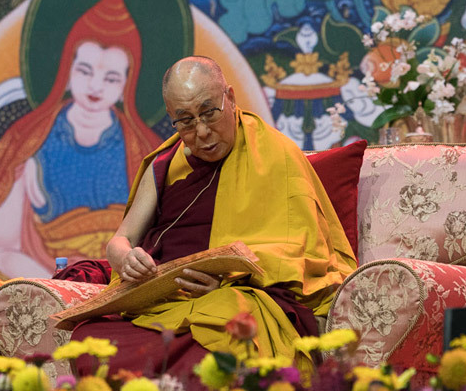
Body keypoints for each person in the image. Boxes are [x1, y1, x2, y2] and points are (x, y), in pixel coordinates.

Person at [70, 56, 358, 386]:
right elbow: (120, 240)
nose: (203, 132)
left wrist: (229, 280)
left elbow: (303, 251)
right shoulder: (164, 164)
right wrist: (126, 259)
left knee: (219, 344)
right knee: (91, 342)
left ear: (231, 98)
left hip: (231, 296)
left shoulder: (275, 152)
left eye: (210, 112)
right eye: (186, 122)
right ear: (172, 120)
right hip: (163, 302)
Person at [0, 0, 161, 278]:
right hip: (50, 284)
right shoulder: (27, 144)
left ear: (126, 88)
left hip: (127, 286)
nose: (95, 86)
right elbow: (7, 247)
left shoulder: (147, 151)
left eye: (112, 78)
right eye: (84, 70)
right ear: (66, 71)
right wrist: (62, 289)